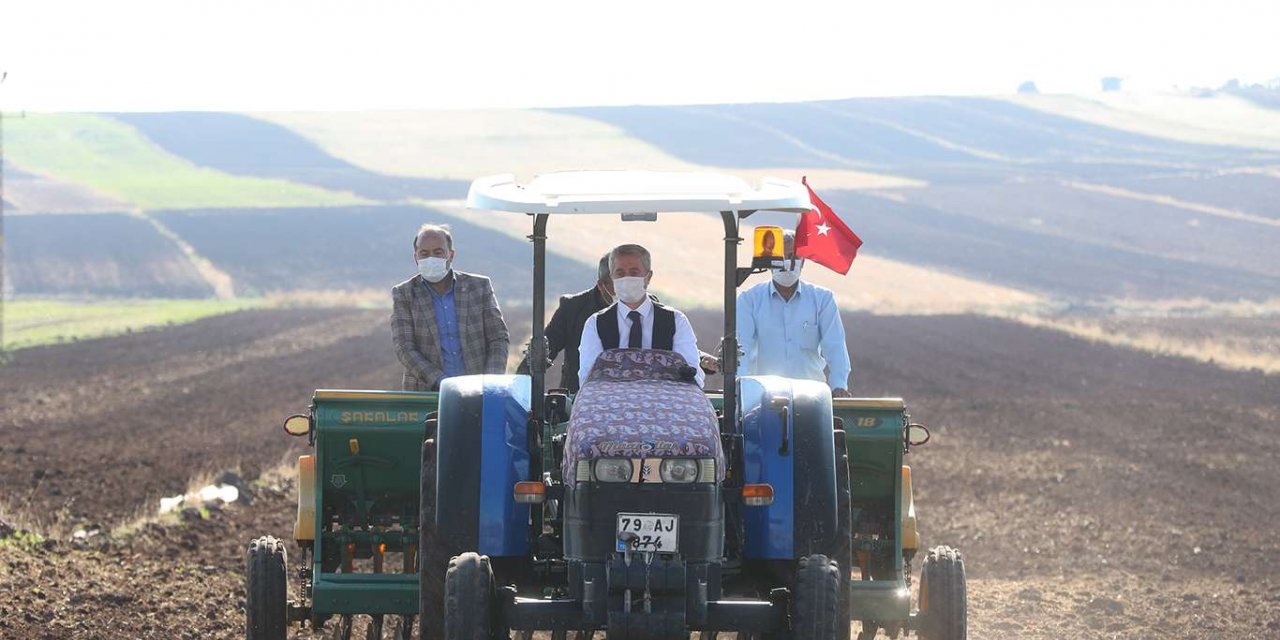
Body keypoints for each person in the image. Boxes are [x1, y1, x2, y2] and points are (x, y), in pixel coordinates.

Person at [391, 223, 510, 391]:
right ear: (415, 257)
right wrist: (442, 382)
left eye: (438, 252)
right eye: (424, 253)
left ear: (451, 254)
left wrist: (490, 383)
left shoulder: (478, 286)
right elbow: (405, 348)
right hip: (427, 392)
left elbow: (498, 338)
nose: (431, 258)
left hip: (478, 391)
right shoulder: (405, 294)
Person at [737, 230, 851, 396]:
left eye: (793, 256)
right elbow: (742, 349)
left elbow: (835, 346)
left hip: (812, 395)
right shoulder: (749, 300)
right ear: (769, 261)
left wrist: (839, 385)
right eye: (780, 257)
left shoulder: (822, 299)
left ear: (803, 261)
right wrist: (741, 388)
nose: (787, 262)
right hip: (763, 397)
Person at [578, 244, 705, 388]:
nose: (627, 278)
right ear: (612, 277)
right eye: (620, 273)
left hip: (664, 405)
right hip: (612, 407)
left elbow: (691, 373)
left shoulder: (676, 321)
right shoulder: (596, 324)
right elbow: (588, 377)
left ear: (648, 277)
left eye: (634, 272)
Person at [516, 254, 617, 393]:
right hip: (578, 398)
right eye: (617, 282)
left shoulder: (652, 311)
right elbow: (546, 347)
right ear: (601, 285)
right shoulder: (573, 308)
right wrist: (519, 388)